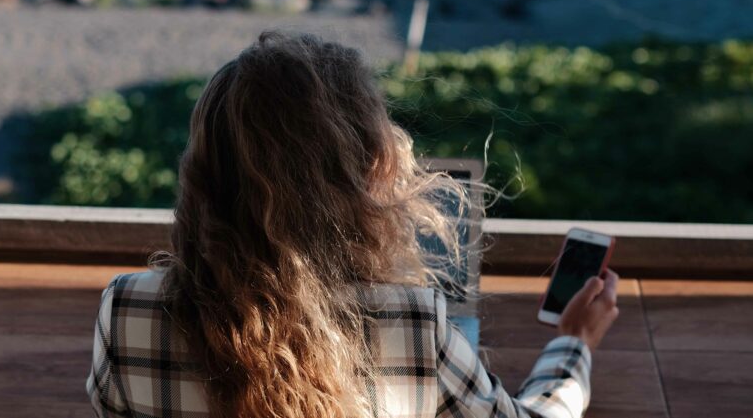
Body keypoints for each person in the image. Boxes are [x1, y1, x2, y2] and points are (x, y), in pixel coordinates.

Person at [87, 31, 619, 418]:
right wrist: (573, 343)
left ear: (204, 172)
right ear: (366, 174)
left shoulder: (127, 309)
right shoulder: (412, 326)